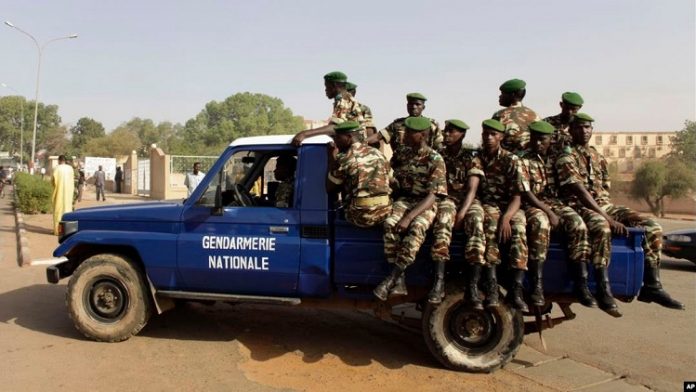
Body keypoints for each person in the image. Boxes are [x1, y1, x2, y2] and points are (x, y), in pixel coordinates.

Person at [556, 113, 685, 311]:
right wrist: (608, 218)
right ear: (571, 130)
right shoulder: (566, 157)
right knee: (602, 227)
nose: (584, 131)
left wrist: (612, 213)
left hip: (604, 205)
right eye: (579, 127)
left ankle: (652, 286)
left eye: (588, 127)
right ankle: (602, 287)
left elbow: (604, 189)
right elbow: (579, 191)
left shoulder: (597, 156)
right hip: (579, 207)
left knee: (652, 227)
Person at [519, 120, 599, 310]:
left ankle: (581, 284)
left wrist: (556, 211)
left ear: (550, 140)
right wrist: (548, 212)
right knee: (541, 224)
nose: (538, 143)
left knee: (578, 225)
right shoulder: (522, 159)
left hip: (558, 204)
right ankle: (537, 285)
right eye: (535, 139)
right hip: (534, 203)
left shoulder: (559, 158)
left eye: (542, 140)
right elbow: (527, 192)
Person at [374, 117, 447, 301]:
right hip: (405, 200)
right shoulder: (403, 153)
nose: (404, 135)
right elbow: (393, 175)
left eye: (409, 132)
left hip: (426, 202)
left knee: (417, 227)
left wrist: (409, 217)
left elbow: (434, 195)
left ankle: (394, 277)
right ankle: (400, 280)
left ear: (421, 135)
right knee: (390, 223)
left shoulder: (434, 159)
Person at [471, 119, 529, 311]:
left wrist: (506, 218)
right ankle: (492, 284)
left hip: (510, 206)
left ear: (501, 137)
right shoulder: (478, 158)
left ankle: (516, 288)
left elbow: (517, 196)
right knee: (490, 227)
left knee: (519, 228)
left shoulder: (511, 160)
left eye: (493, 134)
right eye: (485, 134)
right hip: (490, 204)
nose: (488, 137)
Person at [428, 119, 481, 304]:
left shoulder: (471, 158)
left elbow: (472, 189)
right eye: (446, 131)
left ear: (462, 135)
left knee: (476, 223)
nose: (447, 134)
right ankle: (439, 281)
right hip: (447, 199)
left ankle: (473, 284)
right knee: (442, 221)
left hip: (467, 200)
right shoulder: (439, 155)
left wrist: (462, 213)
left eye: (452, 131)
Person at [326, 121, 392, 227]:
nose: (335, 141)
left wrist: (331, 159)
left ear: (348, 137)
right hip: (385, 213)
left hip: (361, 216)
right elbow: (392, 180)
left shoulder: (345, 158)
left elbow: (330, 188)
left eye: (337, 138)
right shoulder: (378, 153)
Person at [365, 93, 442, 169]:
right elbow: (379, 136)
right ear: (407, 106)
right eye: (410, 104)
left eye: (417, 104)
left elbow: (440, 145)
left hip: (423, 168)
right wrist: (360, 143)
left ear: (423, 107)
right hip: (400, 168)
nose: (413, 107)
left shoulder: (431, 125)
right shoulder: (398, 124)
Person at [291, 71, 367, 146]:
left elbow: (335, 128)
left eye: (327, 86)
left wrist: (304, 134)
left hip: (354, 148)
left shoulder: (343, 101)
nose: (325, 90)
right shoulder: (346, 98)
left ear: (334, 85)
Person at [492, 78, 540, 155]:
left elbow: (492, 141)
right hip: (529, 162)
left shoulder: (500, 115)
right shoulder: (535, 115)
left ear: (513, 95)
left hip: (506, 160)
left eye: (503, 93)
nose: (500, 96)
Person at [543, 92, 584, 158]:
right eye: (566, 108)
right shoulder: (547, 123)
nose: (569, 112)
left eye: (573, 109)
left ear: (580, 108)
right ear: (561, 105)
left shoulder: (581, 127)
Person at [52, 155, 75, 235]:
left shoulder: (57, 168)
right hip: (68, 193)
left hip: (59, 193)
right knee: (67, 210)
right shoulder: (70, 168)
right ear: (65, 160)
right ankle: (67, 231)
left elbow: (53, 181)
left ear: (59, 160)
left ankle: (58, 231)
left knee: (58, 211)